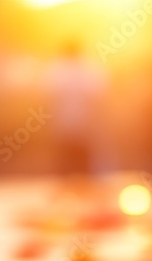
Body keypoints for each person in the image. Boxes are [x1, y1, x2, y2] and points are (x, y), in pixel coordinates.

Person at [47, 42, 107, 178]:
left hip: (64, 126)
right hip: (84, 126)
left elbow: (51, 99)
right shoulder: (90, 69)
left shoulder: (57, 69)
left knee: (65, 165)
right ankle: (82, 190)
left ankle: (66, 192)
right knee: (82, 166)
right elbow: (97, 100)